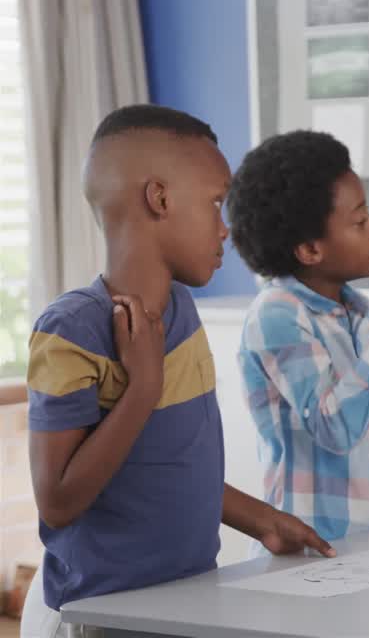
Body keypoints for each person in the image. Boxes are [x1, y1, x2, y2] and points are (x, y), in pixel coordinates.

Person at [22, 106, 332, 638]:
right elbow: (58, 502)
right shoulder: (70, 330)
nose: (225, 228)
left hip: (187, 602)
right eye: (214, 203)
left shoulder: (182, 311)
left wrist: (260, 519)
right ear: (159, 199)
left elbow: (171, 467)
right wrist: (143, 389)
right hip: (105, 616)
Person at [229, 130, 369, 543]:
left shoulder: (356, 310)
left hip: (365, 544)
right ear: (310, 250)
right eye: (360, 221)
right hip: (307, 550)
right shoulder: (277, 314)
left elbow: (368, 418)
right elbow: (337, 426)